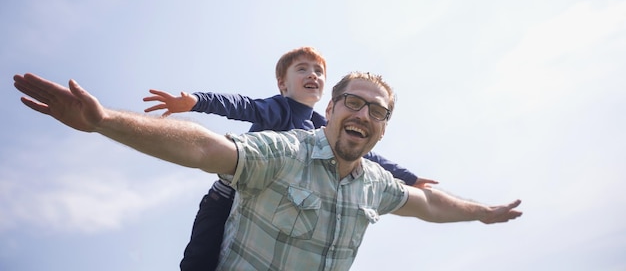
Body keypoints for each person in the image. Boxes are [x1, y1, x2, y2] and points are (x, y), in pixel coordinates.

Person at [13, 71, 523, 271]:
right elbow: (205, 147)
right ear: (330, 109)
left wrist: (482, 213)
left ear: (384, 129)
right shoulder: (285, 150)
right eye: (352, 102)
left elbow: (431, 203)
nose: (363, 115)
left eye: (377, 112)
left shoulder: (375, 184)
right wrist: (104, 121)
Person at [142, 46, 438, 271]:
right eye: (302, 69)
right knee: (201, 259)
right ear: (283, 84)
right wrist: (196, 101)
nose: (312, 75)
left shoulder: (324, 126)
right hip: (227, 197)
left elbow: (368, 154)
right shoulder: (279, 109)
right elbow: (241, 106)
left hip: (268, 207)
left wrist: (409, 178)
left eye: (318, 71)